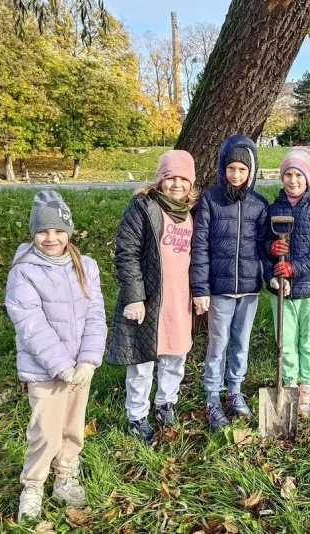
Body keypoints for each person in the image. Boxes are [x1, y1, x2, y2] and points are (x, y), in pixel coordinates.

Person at [5, 191, 106, 522]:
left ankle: (65, 474)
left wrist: (88, 360)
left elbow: (95, 314)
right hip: (46, 371)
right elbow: (30, 322)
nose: (51, 238)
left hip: (80, 368)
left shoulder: (86, 266)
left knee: (73, 427)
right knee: (46, 432)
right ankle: (33, 484)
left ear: (69, 231)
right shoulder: (24, 271)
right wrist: (61, 366)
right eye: (43, 231)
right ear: (33, 232)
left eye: (58, 230)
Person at [107, 150, 198, 445]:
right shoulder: (143, 208)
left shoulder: (189, 212)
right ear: (160, 180)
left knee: (175, 356)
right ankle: (137, 416)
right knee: (143, 362)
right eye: (171, 177)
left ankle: (165, 403)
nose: (177, 184)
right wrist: (135, 297)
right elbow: (127, 253)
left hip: (179, 299)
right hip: (149, 301)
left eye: (183, 178)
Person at [191, 135, 269, 430]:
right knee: (218, 344)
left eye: (242, 170)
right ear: (223, 168)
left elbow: (264, 246)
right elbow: (200, 246)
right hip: (220, 290)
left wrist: (273, 273)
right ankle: (212, 397)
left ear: (251, 172)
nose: (236, 175)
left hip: (249, 289)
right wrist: (201, 288)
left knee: (241, 344)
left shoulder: (259, 205)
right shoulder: (210, 201)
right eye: (231, 168)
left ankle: (234, 391)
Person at [262, 147, 310, 415]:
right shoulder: (272, 210)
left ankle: (308, 384)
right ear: (282, 177)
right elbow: (261, 246)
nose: (293, 180)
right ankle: (289, 383)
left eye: (298, 175)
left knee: (307, 340)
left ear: (308, 177)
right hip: (280, 289)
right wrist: (272, 256)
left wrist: (294, 268)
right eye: (288, 175)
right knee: (285, 338)